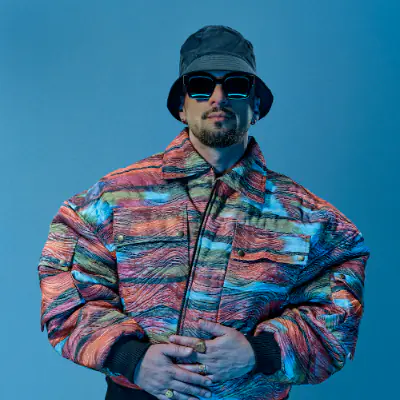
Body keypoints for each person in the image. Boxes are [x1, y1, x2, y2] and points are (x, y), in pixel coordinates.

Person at [38, 25, 371, 400]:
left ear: (256, 106)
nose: (218, 97)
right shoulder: (115, 198)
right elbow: (65, 287)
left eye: (236, 86)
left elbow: (338, 314)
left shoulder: (307, 218)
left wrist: (258, 352)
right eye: (201, 86)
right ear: (182, 107)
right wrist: (132, 359)